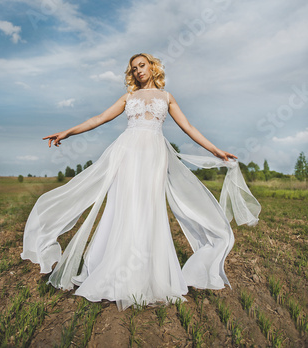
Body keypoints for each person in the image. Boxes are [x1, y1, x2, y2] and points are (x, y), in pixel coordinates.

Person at [20, 53, 260, 311]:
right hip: (126, 153)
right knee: (123, 208)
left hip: (154, 156)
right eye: (134, 68)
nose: (138, 71)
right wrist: (67, 132)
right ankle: (113, 271)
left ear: (152, 67)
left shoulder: (166, 97)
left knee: (149, 210)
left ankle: (146, 274)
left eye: (142, 66)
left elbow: (188, 127)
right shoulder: (128, 98)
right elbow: (98, 119)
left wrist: (215, 150)